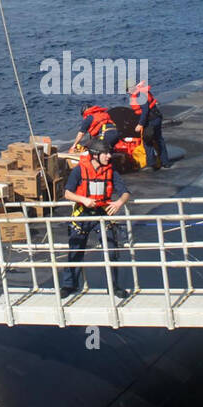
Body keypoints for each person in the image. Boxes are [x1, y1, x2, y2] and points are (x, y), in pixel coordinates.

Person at [60, 139, 131, 300]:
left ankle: (113, 286)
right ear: (95, 155)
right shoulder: (79, 171)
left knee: (111, 249)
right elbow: (67, 193)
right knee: (75, 249)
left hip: (102, 213)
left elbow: (125, 192)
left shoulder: (111, 171)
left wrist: (119, 202)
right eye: (105, 153)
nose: (109, 156)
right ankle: (69, 285)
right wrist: (84, 200)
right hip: (83, 214)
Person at [129, 81, 170, 170]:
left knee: (147, 141)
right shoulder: (141, 92)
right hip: (156, 117)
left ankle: (151, 164)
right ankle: (165, 162)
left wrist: (140, 124)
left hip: (151, 121)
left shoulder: (139, 95)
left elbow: (145, 110)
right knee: (159, 139)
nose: (128, 93)